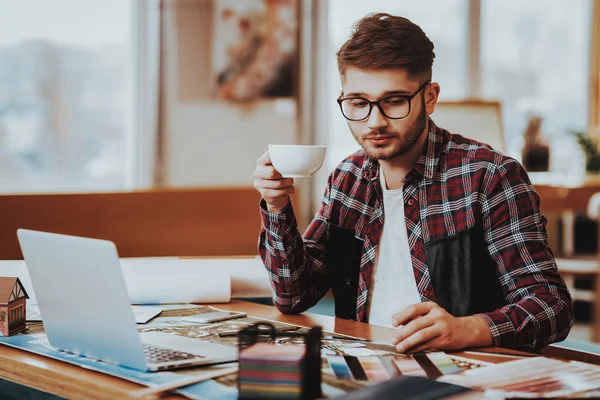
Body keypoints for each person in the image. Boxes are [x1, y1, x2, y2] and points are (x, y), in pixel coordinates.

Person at [253, 13, 573, 352]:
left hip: (463, 374)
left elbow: (552, 306)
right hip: (365, 365)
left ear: (430, 97)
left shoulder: (489, 175)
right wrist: (276, 207)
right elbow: (293, 295)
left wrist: (467, 329)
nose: (374, 122)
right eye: (359, 103)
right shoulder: (347, 179)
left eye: (394, 101)